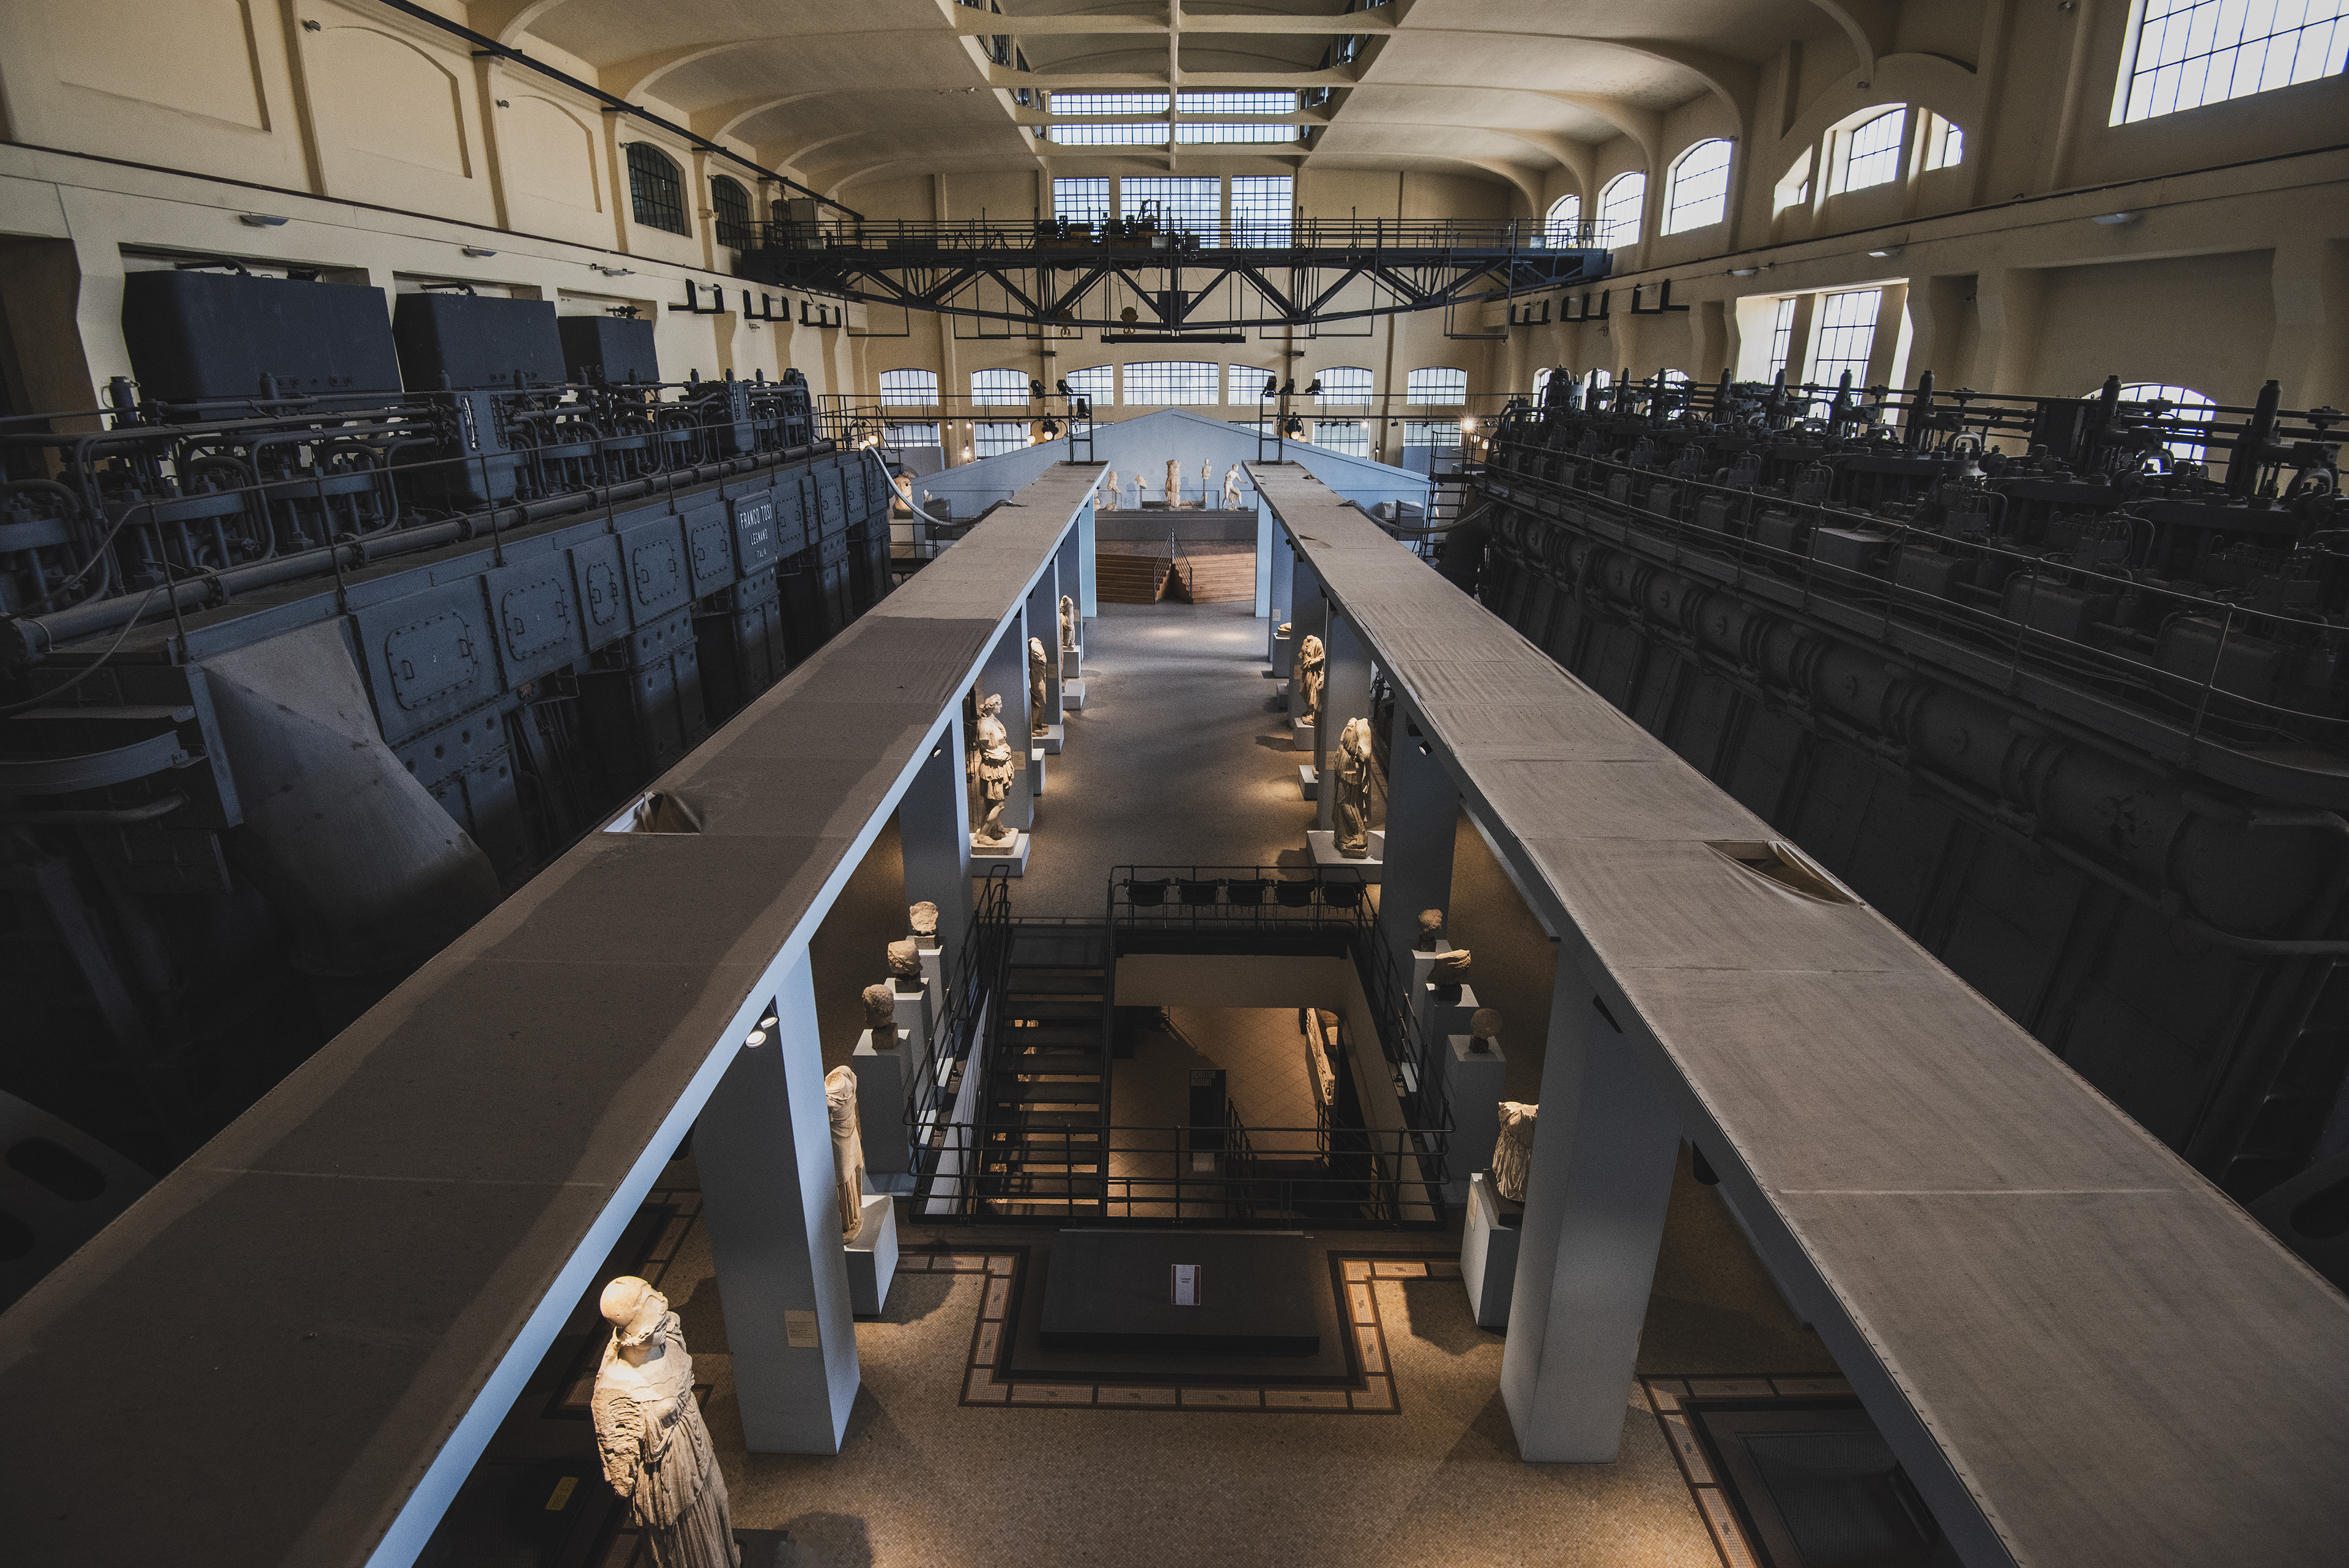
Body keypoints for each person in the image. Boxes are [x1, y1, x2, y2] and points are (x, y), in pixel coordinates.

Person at [592, 1277, 739, 1568]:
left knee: (715, 1503)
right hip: (667, 1471)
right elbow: (623, 1470)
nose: (663, 1322)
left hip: (696, 1443)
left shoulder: (668, 1334)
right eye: (653, 1325)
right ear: (631, 1335)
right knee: (689, 1538)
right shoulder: (615, 1389)